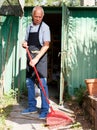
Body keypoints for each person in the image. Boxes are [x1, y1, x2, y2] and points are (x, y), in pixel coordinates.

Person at [21, 6, 51, 119]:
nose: (37, 19)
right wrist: (24, 44)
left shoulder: (45, 28)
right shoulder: (29, 27)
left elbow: (46, 45)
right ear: (32, 16)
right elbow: (26, 41)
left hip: (40, 58)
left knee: (42, 84)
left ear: (42, 16)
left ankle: (45, 110)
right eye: (35, 16)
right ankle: (32, 107)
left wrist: (36, 59)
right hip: (30, 58)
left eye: (40, 17)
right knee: (29, 83)